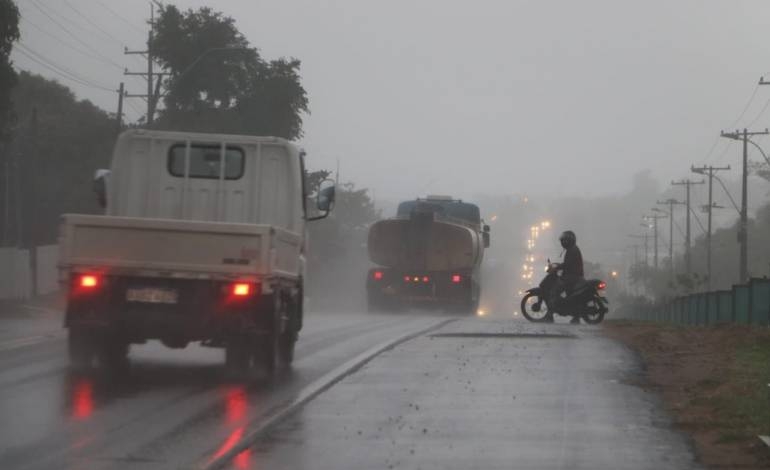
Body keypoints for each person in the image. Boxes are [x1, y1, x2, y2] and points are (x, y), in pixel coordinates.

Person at [546, 230, 584, 324]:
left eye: (564, 241)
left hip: (572, 277)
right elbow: (568, 264)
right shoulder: (572, 249)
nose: (562, 243)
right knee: (570, 296)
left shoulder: (572, 250)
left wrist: (558, 267)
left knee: (554, 291)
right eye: (562, 241)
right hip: (573, 276)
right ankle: (576, 317)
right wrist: (559, 266)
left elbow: (568, 264)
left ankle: (549, 315)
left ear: (569, 241)